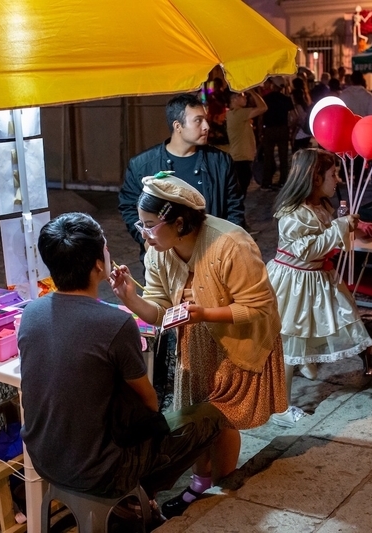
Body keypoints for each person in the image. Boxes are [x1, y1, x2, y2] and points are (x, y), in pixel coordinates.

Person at [18, 212, 224, 526]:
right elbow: (149, 402)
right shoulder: (115, 323)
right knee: (210, 416)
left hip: (43, 459)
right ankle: (136, 493)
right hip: (100, 470)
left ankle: (132, 497)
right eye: (105, 247)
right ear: (99, 264)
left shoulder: (31, 312)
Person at [110, 174, 287, 517]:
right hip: (196, 340)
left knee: (221, 419)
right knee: (198, 417)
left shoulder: (230, 244)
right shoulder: (159, 250)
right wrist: (131, 299)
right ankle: (200, 485)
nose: (143, 233)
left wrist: (205, 312)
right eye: (140, 224)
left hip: (240, 339)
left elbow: (259, 306)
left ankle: (223, 488)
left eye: (149, 225)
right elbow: (161, 312)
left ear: (179, 222)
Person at [266, 149, 372, 427]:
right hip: (294, 282)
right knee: (291, 337)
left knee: (315, 324)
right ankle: (280, 406)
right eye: (333, 174)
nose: (338, 179)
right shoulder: (294, 213)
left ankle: (305, 356)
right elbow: (307, 249)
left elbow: (328, 238)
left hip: (314, 279)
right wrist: (341, 226)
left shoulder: (321, 206)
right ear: (315, 178)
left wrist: (353, 227)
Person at [118, 93, 245, 258]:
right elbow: (128, 206)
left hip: (211, 256)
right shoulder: (142, 165)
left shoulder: (220, 162)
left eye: (205, 119)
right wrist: (146, 239)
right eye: (198, 120)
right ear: (178, 126)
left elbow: (234, 207)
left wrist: (226, 245)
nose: (206, 126)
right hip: (165, 260)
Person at [226, 89, 267, 199]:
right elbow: (263, 107)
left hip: (240, 159)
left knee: (239, 194)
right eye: (243, 96)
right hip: (240, 161)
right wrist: (253, 92)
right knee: (239, 195)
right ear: (234, 98)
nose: (246, 98)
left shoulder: (235, 114)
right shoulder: (237, 113)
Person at [261, 76, 294, 189]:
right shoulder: (286, 99)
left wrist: (260, 131)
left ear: (273, 85)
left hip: (269, 129)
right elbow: (294, 116)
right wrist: (291, 128)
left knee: (268, 157)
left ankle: (267, 181)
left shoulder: (266, 98)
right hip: (283, 129)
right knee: (283, 157)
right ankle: (283, 181)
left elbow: (261, 117)